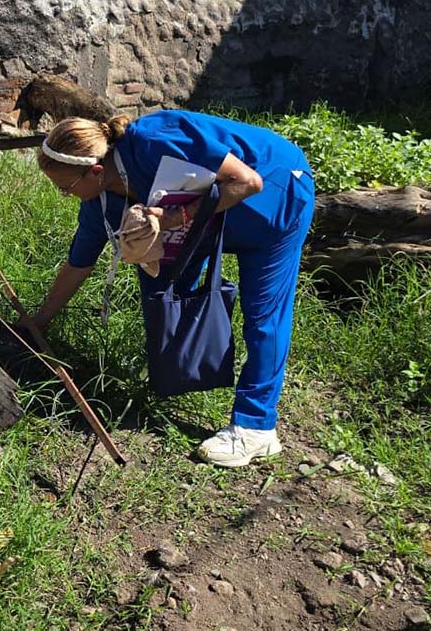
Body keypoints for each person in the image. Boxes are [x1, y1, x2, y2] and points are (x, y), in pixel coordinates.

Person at [23, 110, 315, 467]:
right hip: (211, 218)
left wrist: (174, 218)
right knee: (161, 291)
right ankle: (189, 372)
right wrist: (37, 322)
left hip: (273, 197)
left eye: (65, 188)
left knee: (263, 316)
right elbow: (78, 264)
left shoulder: (155, 140)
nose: (65, 196)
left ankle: (256, 427)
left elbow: (247, 182)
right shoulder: (101, 201)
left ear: (96, 171)